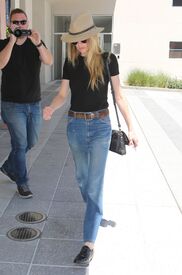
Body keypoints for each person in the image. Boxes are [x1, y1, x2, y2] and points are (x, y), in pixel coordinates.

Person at [43, 12, 138, 266]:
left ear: (93, 38)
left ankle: (88, 242)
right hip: (75, 125)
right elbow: (63, 93)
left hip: (100, 127)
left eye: (83, 41)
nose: (79, 46)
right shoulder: (70, 62)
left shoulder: (109, 60)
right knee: (82, 179)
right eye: (75, 42)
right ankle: (95, 210)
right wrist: (52, 106)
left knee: (94, 184)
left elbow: (119, 96)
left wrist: (132, 127)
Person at [0, 8, 53, 198]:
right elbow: (1, 64)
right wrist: (12, 41)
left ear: (27, 23)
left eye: (23, 22)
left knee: (31, 141)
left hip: (34, 103)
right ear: (9, 24)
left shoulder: (35, 44)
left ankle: (8, 167)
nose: (20, 26)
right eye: (16, 22)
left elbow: (49, 61)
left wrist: (38, 43)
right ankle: (22, 183)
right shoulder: (4, 44)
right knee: (20, 144)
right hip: (11, 105)